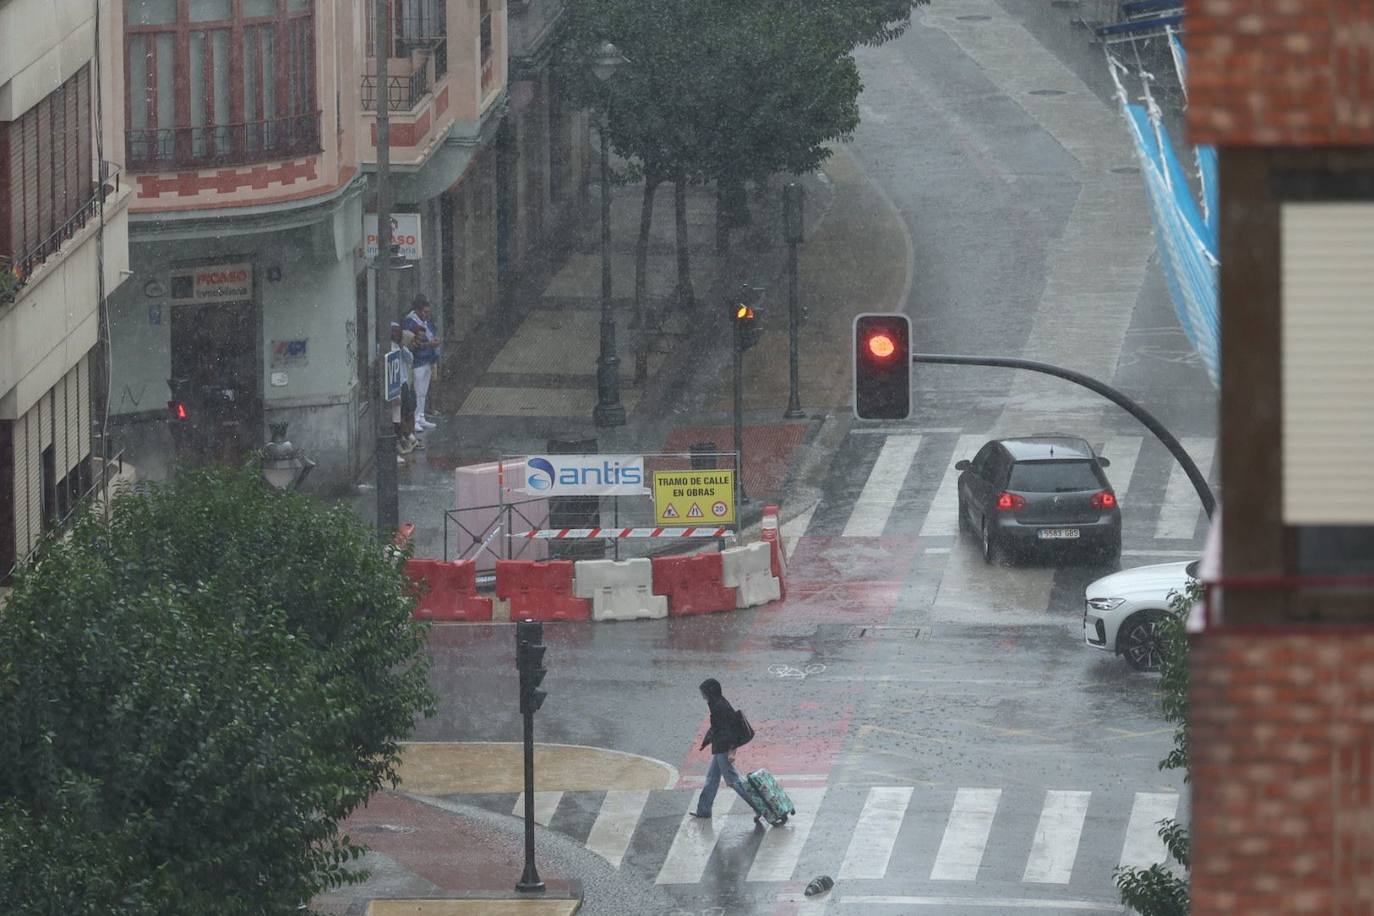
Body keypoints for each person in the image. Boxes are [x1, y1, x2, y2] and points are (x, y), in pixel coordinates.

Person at [690, 678, 754, 821]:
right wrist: (709, 739)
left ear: (711, 692)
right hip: (720, 746)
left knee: (733, 781)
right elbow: (719, 727)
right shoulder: (716, 703)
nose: (703, 695)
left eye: (705, 692)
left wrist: (731, 750)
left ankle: (758, 805)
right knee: (712, 779)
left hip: (723, 748)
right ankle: (704, 810)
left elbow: (729, 730)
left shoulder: (719, 707)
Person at [403, 296, 440, 431]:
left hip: (428, 359)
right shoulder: (410, 323)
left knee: (423, 391)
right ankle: (415, 418)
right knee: (417, 390)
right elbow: (412, 344)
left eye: (428, 312)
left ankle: (421, 416)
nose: (427, 315)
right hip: (418, 360)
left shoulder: (426, 322)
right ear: (417, 311)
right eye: (424, 312)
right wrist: (429, 344)